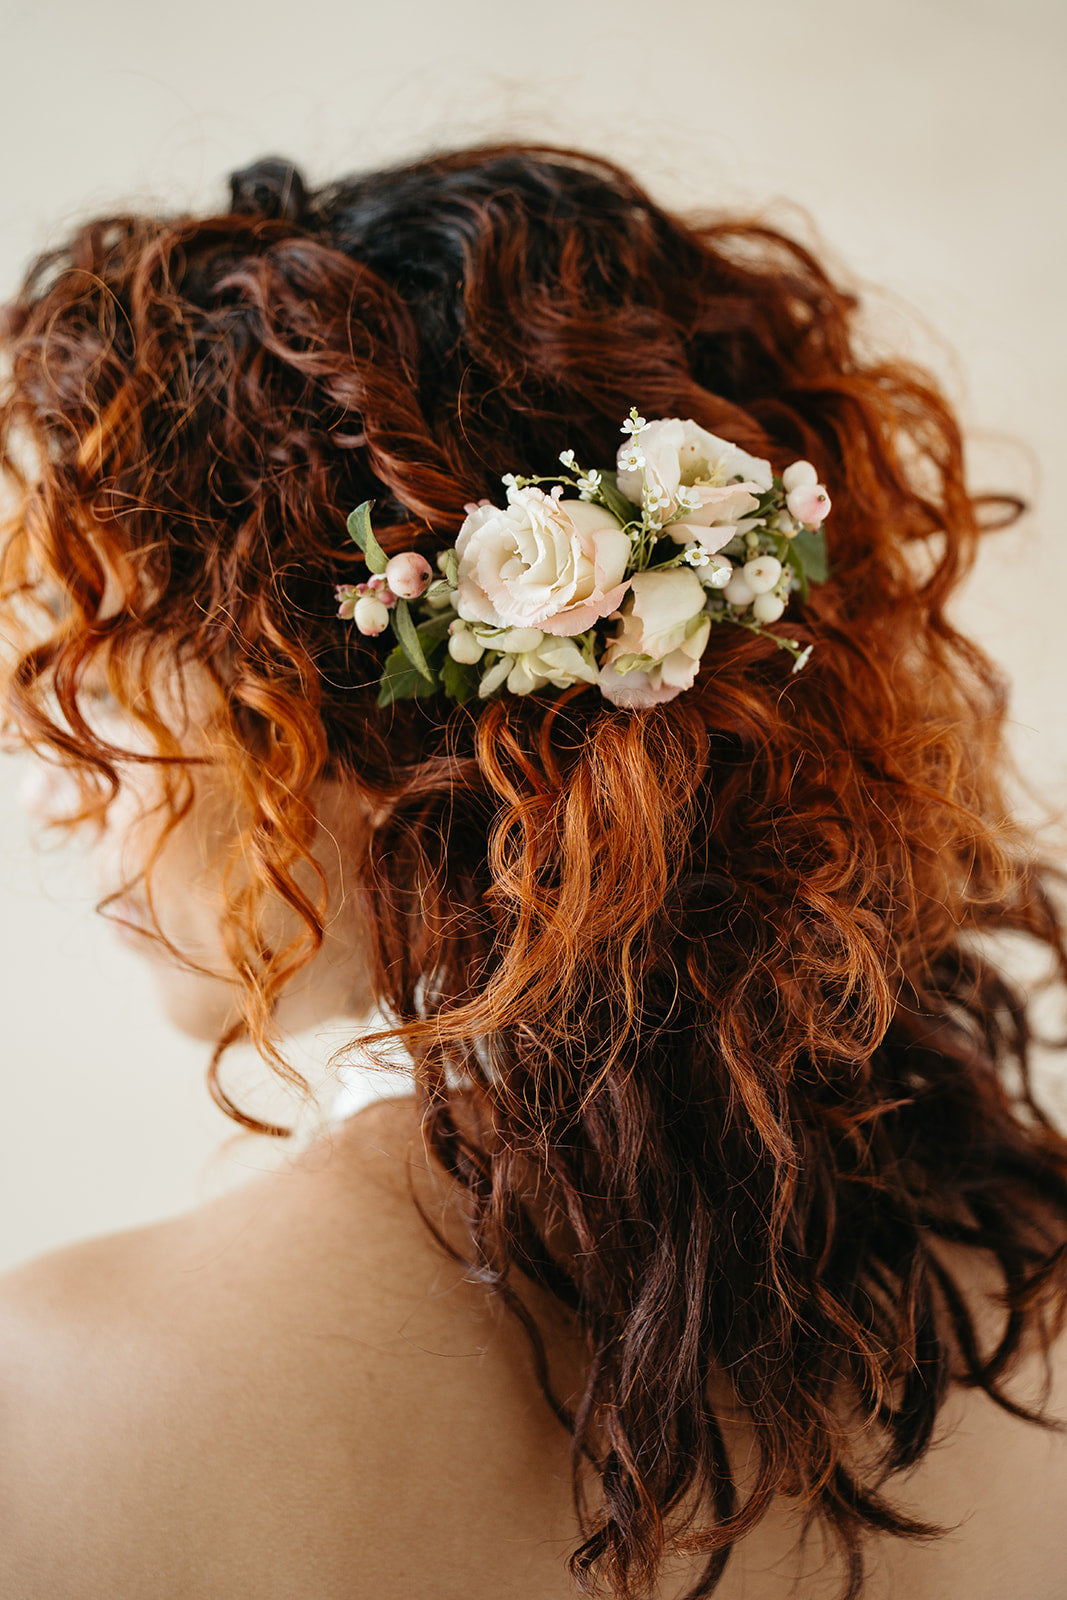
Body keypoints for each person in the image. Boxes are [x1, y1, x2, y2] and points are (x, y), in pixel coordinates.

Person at [0, 143, 1065, 1600]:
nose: (59, 796)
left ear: (361, 736)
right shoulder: (1030, 1297)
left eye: (106, 693)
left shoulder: (61, 1392)